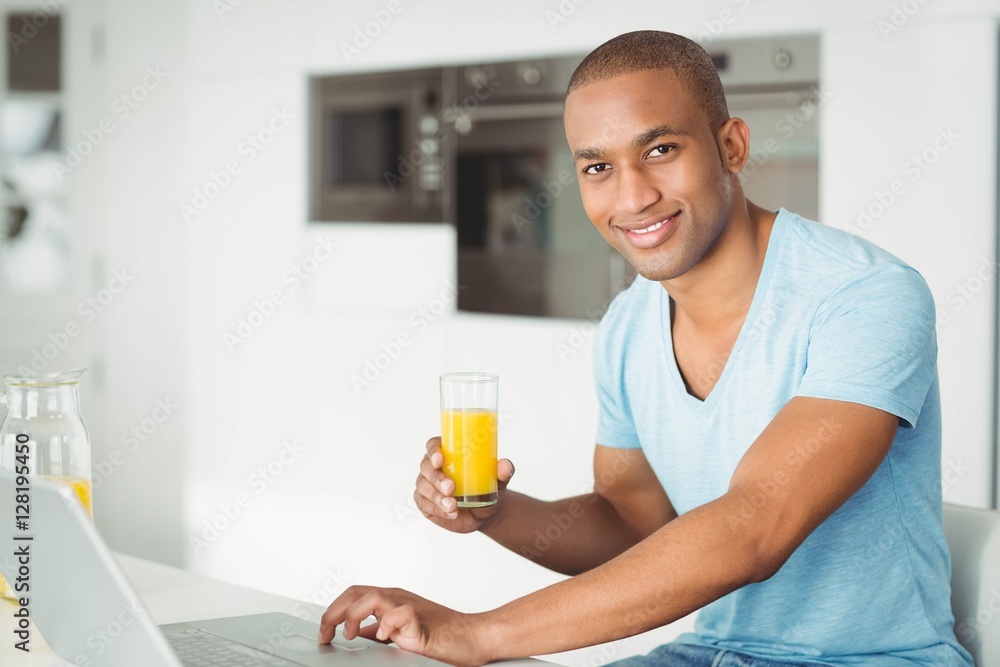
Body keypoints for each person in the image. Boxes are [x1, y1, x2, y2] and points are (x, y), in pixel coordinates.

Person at [319, 30, 974, 667]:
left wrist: (481, 631)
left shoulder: (865, 295)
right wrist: (492, 511)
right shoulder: (630, 326)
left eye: (660, 149)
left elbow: (755, 526)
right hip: (706, 652)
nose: (632, 197)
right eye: (598, 167)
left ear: (732, 146)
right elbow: (632, 524)